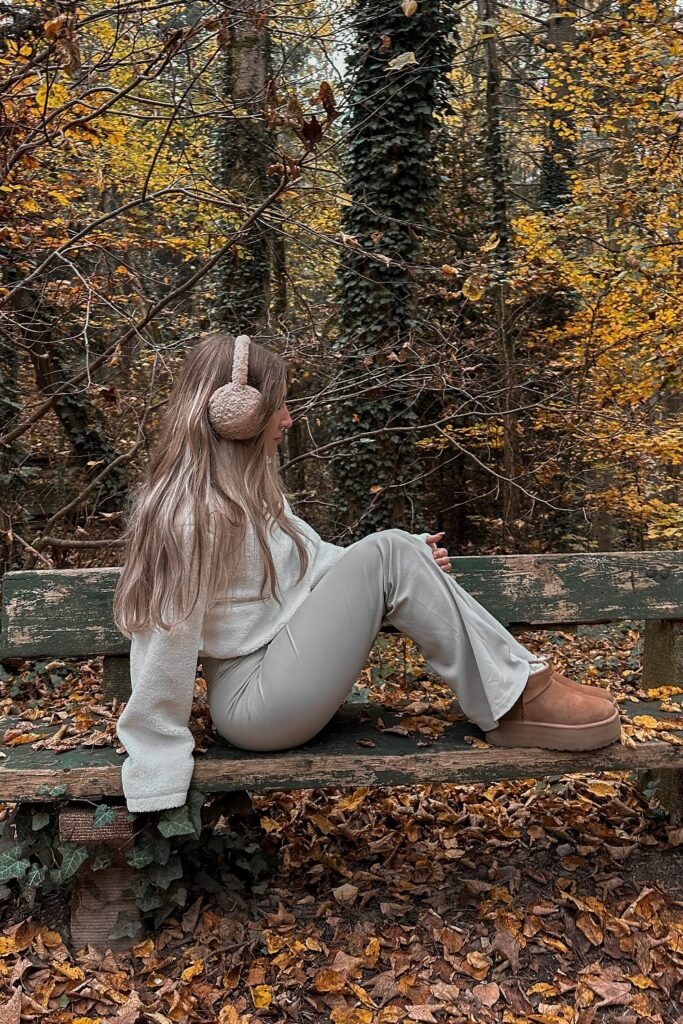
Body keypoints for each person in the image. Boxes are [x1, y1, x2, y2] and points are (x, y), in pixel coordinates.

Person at [113, 333, 621, 814]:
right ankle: (515, 700)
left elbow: (316, 564)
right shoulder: (189, 517)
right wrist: (156, 758)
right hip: (253, 706)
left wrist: (410, 563)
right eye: (279, 405)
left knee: (394, 549)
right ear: (237, 414)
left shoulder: (247, 495)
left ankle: (522, 687)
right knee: (389, 549)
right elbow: (164, 639)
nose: (287, 420)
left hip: (275, 680)